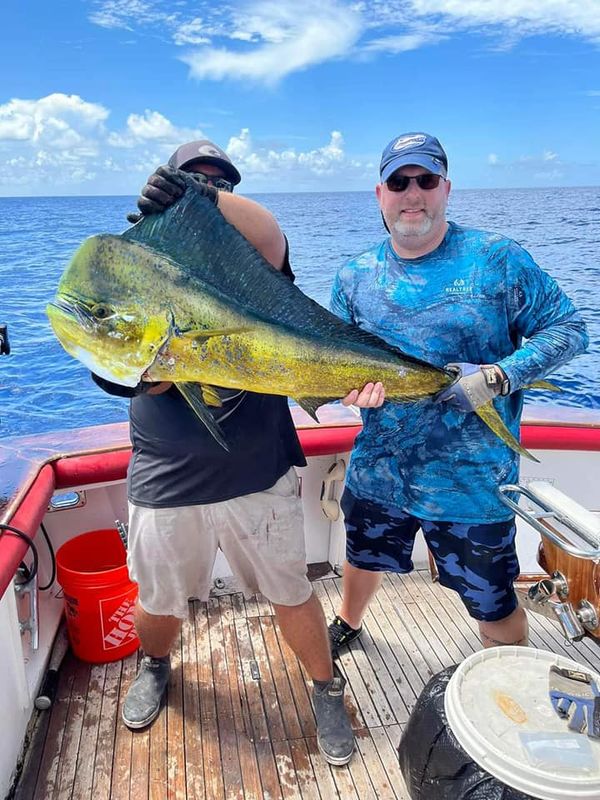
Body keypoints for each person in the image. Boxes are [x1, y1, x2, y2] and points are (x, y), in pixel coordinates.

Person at [93, 139, 383, 765]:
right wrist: (150, 372)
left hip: (258, 469)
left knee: (291, 591)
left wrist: (198, 198)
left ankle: (325, 688)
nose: (207, 193)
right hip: (166, 474)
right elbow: (109, 367)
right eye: (192, 181)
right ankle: (155, 665)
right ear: (164, 192)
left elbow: (269, 231)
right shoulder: (138, 262)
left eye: (218, 185)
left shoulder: (258, 272)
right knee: (156, 598)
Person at [327, 131, 589, 653]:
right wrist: (348, 391)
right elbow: (335, 362)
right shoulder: (353, 276)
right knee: (361, 557)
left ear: (446, 188)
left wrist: (498, 376)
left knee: (493, 602)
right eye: (399, 181)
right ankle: (349, 623)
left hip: (472, 487)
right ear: (380, 194)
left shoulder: (497, 259)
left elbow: (569, 329)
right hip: (380, 471)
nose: (412, 192)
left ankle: (509, 672)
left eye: (426, 179)